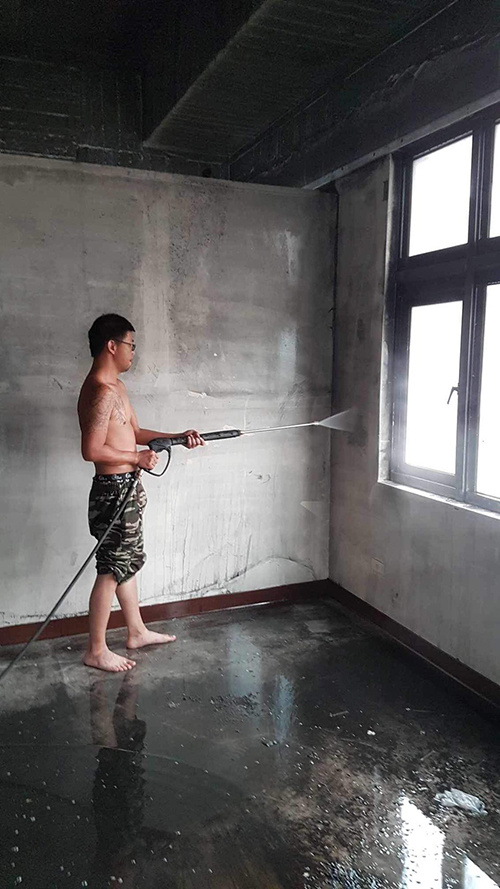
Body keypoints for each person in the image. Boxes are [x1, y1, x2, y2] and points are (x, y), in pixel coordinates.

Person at [78, 313, 204, 672]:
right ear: (111, 346)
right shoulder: (100, 391)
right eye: (131, 345)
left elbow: (133, 433)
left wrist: (177, 438)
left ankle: (136, 631)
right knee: (111, 567)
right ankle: (96, 650)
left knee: (128, 561)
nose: (134, 352)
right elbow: (91, 450)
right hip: (112, 492)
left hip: (128, 488)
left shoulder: (117, 387)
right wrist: (136, 458)